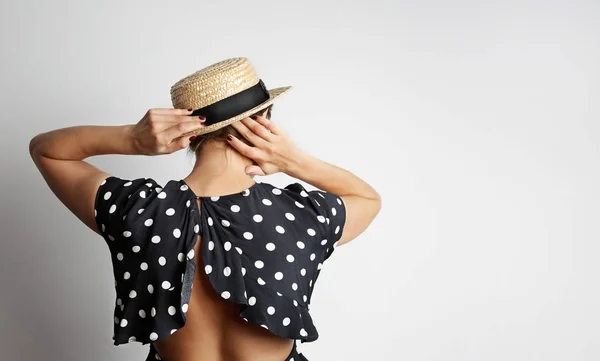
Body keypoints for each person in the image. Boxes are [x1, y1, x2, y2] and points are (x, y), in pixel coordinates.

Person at [29, 57, 381, 361]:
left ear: (189, 134)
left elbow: (47, 150)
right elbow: (367, 198)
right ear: (264, 123)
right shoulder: (301, 216)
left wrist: (131, 139)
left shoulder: (136, 210)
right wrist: (294, 161)